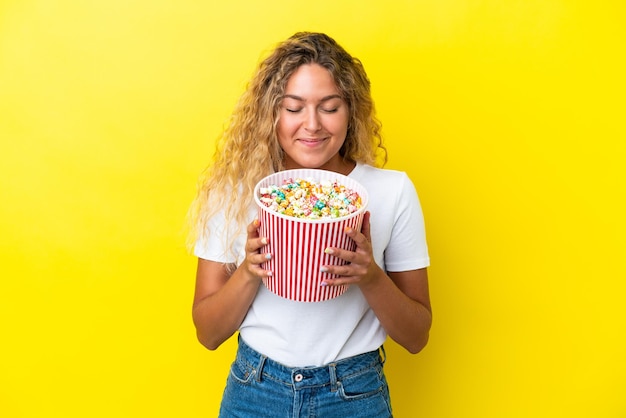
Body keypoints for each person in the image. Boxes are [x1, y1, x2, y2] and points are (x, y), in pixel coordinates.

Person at [188, 32, 432, 418]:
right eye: (294, 107)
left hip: (355, 393)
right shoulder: (235, 193)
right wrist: (251, 272)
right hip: (256, 391)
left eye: (330, 107)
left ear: (350, 112)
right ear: (272, 112)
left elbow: (417, 336)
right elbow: (208, 334)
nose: (312, 124)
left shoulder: (391, 192)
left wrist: (369, 276)